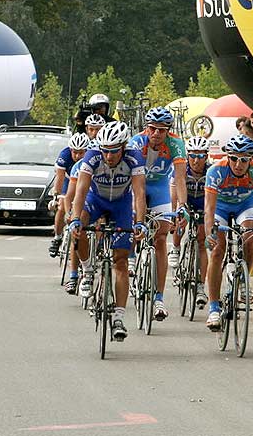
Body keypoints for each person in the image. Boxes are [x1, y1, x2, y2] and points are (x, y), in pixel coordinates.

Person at [69, 121, 146, 341]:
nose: (109, 156)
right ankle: (87, 270)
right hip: (96, 200)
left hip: (121, 204)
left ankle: (119, 318)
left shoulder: (134, 158)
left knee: (120, 261)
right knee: (80, 224)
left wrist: (139, 222)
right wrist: (75, 219)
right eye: (105, 151)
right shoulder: (92, 156)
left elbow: (139, 193)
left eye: (113, 151)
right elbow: (81, 190)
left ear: (123, 147)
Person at [204, 135, 253, 330]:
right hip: (220, 207)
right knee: (218, 250)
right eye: (234, 158)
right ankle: (213, 308)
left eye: (244, 160)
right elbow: (209, 208)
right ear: (227, 157)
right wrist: (209, 232)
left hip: (244, 206)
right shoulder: (215, 171)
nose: (238, 164)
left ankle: (243, 281)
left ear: (251, 160)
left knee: (249, 237)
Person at [129, 107, 187, 321]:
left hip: (160, 188)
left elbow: (180, 179)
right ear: (147, 128)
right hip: (137, 187)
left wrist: (182, 206)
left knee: (161, 237)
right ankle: (132, 257)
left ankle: (159, 298)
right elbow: (137, 183)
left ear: (168, 131)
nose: (156, 134)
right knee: (134, 224)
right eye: (153, 129)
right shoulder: (136, 142)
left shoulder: (176, 144)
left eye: (161, 130)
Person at [168, 136, 211, 308]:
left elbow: (214, 198)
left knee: (201, 242)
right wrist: (175, 213)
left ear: (206, 157)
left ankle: (200, 286)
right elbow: (173, 193)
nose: (196, 160)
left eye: (200, 156)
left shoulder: (211, 171)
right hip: (184, 200)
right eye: (192, 155)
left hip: (203, 204)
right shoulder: (181, 170)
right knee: (180, 219)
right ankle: (176, 248)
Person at [61, 137, 99, 294]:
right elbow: (70, 195)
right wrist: (69, 213)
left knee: (102, 227)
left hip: (99, 201)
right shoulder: (79, 167)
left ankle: (98, 252)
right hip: (83, 201)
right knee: (76, 232)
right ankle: (74, 275)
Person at [48, 132, 89, 258]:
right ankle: (57, 236)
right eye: (74, 152)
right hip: (68, 181)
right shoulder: (64, 155)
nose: (77, 156)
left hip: (84, 180)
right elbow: (59, 178)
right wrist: (56, 196)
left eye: (81, 152)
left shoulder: (90, 159)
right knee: (61, 206)